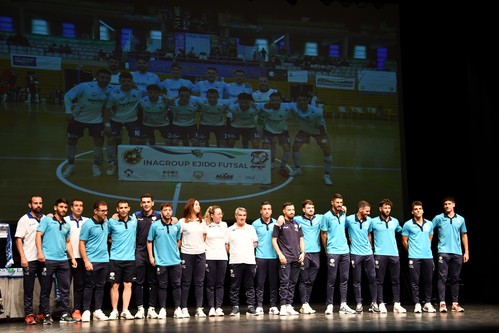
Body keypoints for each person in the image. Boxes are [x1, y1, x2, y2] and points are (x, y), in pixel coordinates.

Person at [62, 68, 112, 177]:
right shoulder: (84, 86)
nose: (104, 80)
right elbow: (67, 96)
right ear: (97, 77)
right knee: (71, 141)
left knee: (99, 142)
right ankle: (70, 166)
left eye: (107, 78)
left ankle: (96, 165)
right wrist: (68, 111)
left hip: (97, 121)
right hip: (77, 119)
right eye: (102, 77)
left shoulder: (110, 90)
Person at [35, 197, 77, 324]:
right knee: (46, 289)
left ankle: (65, 313)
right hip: (48, 259)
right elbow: (38, 236)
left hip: (63, 260)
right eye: (61, 207)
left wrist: (73, 258)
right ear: (55, 208)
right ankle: (46, 315)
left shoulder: (66, 224)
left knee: (65, 289)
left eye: (65, 207)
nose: (63, 209)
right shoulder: (46, 220)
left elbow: (68, 242)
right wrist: (40, 252)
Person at [320, 193, 357, 315]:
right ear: (332, 202)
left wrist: (344, 212)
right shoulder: (326, 216)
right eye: (337, 202)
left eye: (341, 202)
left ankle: (343, 304)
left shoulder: (343, 215)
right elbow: (323, 234)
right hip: (333, 252)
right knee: (331, 279)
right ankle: (330, 305)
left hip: (345, 251)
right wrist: (327, 249)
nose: (339, 204)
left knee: (344, 279)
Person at [368, 198, 407, 313]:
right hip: (380, 254)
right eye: (385, 207)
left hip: (394, 254)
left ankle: (396, 304)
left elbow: (403, 232)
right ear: (380, 209)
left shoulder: (395, 221)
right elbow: (368, 233)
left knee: (396, 280)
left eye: (389, 208)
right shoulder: (373, 221)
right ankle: (380, 303)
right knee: (379, 281)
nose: (387, 210)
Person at [431, 196, 469, 313]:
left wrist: (466, 251)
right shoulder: (438, 218)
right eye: (445, 204)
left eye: (449, 204)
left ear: (454, 205)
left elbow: (464, 235)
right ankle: (442, 303)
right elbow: (429, 231)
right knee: (442, 277)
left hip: (457, 252)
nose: (447, 206)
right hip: (443, 252)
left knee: (455, 279)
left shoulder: (461, 219)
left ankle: (455, 303)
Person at [288, 91, 333, 185]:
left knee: (327, 150)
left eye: (304, 100)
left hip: (318, 132)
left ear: (308, 100)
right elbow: (280, 104)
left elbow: (322, 127)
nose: (302, 102)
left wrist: (324, 139)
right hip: (304, 131)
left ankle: (327, 175)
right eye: (299, 100)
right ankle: (297, 169)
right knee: (295, 147)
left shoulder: (317, 112)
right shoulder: (293, 106)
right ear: (296, 101)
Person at [103, 71, 144, 176]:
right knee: (112, 139)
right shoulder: (114, 94)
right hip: (116, 119)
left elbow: (154, 93)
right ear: (119, 81)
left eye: (128, 81)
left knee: (135, 140)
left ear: (132, 82)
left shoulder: (138, 92)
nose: (126, 83)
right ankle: (112, 162)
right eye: (123, 81)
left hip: (132, 119)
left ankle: (130, 161)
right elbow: (106, 109)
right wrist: (107, 125)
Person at [147, 202, 182, 319]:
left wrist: (174, 252)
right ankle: (162, 309)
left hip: (175, 261)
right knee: (162, 286)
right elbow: (149, 241)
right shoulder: (155, 226)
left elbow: (178, 240)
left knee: (177, 285)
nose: (167, 212)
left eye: (169, 210)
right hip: (161, 262)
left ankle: (177, 308)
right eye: (165, 210)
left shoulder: (177, 226)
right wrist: (151, 257)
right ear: (161, 212)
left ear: (172, 212)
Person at [401, 200, 436, 313]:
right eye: (416, 209)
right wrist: (411, 252)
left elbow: (430, 237)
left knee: (428, 281)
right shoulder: (407, 224)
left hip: (428, 256)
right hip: (414, 257)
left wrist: (426, 249)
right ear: (412, 211)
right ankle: (416, 303)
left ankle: (428, 303)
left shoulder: (429, 224)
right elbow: (404, 241)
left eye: (420, 209)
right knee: (415, 281)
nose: (418, 211)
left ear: (423, 210)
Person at [345, 200, 380, 313]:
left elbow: (369, 234)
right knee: (357, 280)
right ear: (360, 209)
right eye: (367, 211)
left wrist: (371, 248)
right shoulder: (349, 219)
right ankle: (359, 303)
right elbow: (340, 228)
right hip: (355, 253)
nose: (368, 213)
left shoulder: (369, 221)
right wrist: (348, 238)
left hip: (368, 253)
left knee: (372, 278)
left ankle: (374, 303)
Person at [15, 195, 45, 325]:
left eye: (40, 203)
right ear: (30, 205)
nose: (38, 205)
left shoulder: (45, 219)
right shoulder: (24, 219)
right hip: (29, 259)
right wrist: (23, 257)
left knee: (45, 288)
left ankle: (42, 313)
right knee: (29, 289)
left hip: (43, 259)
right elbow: (18, 239)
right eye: (35, 203)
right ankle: (29, 314)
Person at [79, 200, 110, 322]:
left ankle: (97, 310)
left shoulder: (106, 223)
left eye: (106, 210)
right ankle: (86, 310)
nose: (105, 213)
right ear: (95, 211)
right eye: (102, 211)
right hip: (92, 261)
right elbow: (82, 243)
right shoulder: (88, 224)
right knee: (89, 286)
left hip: (104, 260)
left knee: (100, 286)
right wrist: (86, 261)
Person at [107, 200, 138, 320]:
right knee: (115, 285)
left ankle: (125, 310)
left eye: (125, 207)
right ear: (117, 209)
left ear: (129, 208)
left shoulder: (134, 221)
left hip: (130, 259)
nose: (123, 209)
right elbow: (105, 235)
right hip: (115, 258)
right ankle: (114, 311)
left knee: (128, 285)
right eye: (121, 208)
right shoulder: (111, 222)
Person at [272, 202, 304, 316]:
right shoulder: (279, 224)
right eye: (289, 210)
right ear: (284, 211)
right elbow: (274, 240)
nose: (292, 212)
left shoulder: (297, 224)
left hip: (296, 258)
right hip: (285, 258)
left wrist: (303, 253)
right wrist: (280, 255)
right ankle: (283, 306)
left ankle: (289, 305)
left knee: (293, 282)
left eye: (293, 209)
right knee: (284, 282)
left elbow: (301, 239)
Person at [225, 207, 258, 316]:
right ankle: (235, 307)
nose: (242, 217)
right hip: (235, 262)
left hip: (249, 261)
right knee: (235, 286)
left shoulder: (251, 228)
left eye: (244, 215)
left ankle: (251, 307)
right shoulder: (230, 229)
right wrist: (236, 254)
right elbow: (227, 245)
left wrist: (246, 252)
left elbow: (255, 243)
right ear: (236, 216)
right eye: (240, 215)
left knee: (250, 286)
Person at [133, 193, 161, 319]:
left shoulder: (159, 216)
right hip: (140, 252)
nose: (146, 204)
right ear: (141, 204)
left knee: (153, 282)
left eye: (148, 202)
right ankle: (140, 308)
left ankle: (151, 308)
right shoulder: (135, 216)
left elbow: (172, 220)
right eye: (143, 202)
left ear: (152, 203)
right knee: (139, 282)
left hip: (154, 253)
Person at [292, 199, 322, 314]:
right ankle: (304, 303)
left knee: (311, 281)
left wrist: (343, 210)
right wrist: (280, 217)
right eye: (308, 208)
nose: (311, 210)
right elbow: (285, 217)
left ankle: (306, 303)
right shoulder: (298, 219)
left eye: (312, 207)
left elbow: (330, 215)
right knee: (304, 280)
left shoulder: (319, 218)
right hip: (305, 253)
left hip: (316, 253)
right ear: (304, 209)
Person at [179, 198, 207, 318]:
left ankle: (199, 308)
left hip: (200, 254)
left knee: (199, 283)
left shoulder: (203, 222)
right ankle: (184, 308)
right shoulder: (182, 222)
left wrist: (198, 246)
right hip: (186, 254)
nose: (199, 206)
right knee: (186, 282)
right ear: (190, 207)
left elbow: (204, 236)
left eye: (199, 205)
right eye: (196, 205)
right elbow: (178, 238)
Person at [251, 201, 280, 315]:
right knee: (259, 283)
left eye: (269, 209)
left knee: (273, 283)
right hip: (260, 257)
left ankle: (273, 306)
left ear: (271, 211)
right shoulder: (255, 224)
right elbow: (252, 241)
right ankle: (259, 306)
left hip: (273, 257)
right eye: (264, 209)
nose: (267, 211)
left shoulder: (277, 223)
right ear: (261, 211)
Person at [256, 91, 293, 177]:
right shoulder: (264, 107)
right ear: (270, 101)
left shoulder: (288, 107)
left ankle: (282, 167)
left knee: (287, 149)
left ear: (281, 101)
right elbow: (253, 105)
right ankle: (268, 164)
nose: (275, 102)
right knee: (265, 148)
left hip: (282, 130)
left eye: (277, 100)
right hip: (268, 130)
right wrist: (259, 133)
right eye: (272, 100)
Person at [64, 199, 89, 322]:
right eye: (76, 206)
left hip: (82, 258)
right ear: (71, 208)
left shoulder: (87, 221)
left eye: (81, 205)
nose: (78, 208)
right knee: (65, 287)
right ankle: (64, 312)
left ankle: (77, 310)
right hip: (67, 258)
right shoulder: (65, 220)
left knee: (79, 286)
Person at [130, 56, 162, 145]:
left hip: (149, 107)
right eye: (139, 63)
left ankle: (151, 151)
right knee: (134, 131)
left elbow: (159, 90)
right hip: (134, 107)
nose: (142, 65)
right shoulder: (131, 75)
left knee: (148, 131)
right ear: (136, 64)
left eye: (144, 63)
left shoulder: (154, 77)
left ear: (147, 64)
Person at [203, 205, 228, 316]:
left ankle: (218, 307)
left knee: (220, 283)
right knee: (210, 284)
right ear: (212, 215)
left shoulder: (224, 225)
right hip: (210, 257)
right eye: (218, 214)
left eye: (221, 213)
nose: (221, 215)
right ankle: (211, 307)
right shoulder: (206, 225)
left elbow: (226, 241)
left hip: (222, 257)